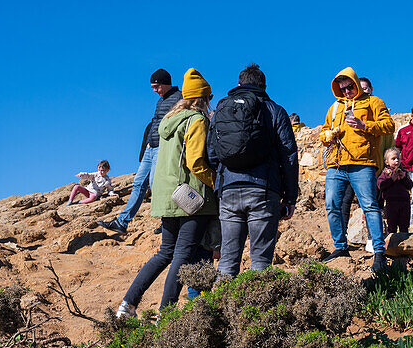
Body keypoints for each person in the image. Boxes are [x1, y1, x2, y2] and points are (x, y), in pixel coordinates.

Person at [116, 69, 217, 318]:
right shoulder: (197, 120)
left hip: (166, 196)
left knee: (164, 253)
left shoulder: (169, 121)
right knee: (182, 256)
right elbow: (195, 162)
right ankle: (166, 314)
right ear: (202, 97)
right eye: (209, 96)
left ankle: (127, 304)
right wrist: (215, 183)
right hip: (191, 198)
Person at [208, 62, 299, 277]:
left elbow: (211, 153)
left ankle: (220, 309)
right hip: (264, 190)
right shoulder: (275, 111)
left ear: (239, 84)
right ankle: (255, 309)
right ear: (264, 87)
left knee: (228, 259)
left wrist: (225, 177)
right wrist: (290, 197)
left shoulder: (223, 108)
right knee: (260, 260)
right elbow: (289, 157)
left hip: (228, 191)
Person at [319, 67, 395, 272]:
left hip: (363, 163)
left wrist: (364, 125)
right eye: (342, 88)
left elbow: (389, 126)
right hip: (336, 163)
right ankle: (340, 247)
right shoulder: (335, 107)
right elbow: (324, 130)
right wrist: (327, 136)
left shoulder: (373, 102)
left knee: (369, 206)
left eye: (349, 86)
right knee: (331, 204)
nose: (346, 91)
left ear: (355, 83)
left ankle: (379, 252)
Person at [99, 70, 182, 234]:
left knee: (156, 184)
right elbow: (156, 121)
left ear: (164, 83)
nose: (154, 90)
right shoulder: (161, 101)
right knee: (138, 184)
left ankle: (168, 222)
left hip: (163, 148)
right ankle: (122, 222)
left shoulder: (179, 98)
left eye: (156, 86)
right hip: (151, 149)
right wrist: (149, 142)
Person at [378, 148, 413, 234]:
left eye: (398, 158)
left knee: (404, 225)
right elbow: (381, 185)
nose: (396, 161)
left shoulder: (404, 172)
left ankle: (404, 242)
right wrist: (391, 179)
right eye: (393, 159)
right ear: (387, 162)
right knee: (392, 225)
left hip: (404, 202)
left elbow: (410, 185)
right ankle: (391, 244)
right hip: (391, 203)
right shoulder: (386, 173)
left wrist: (403, 178)